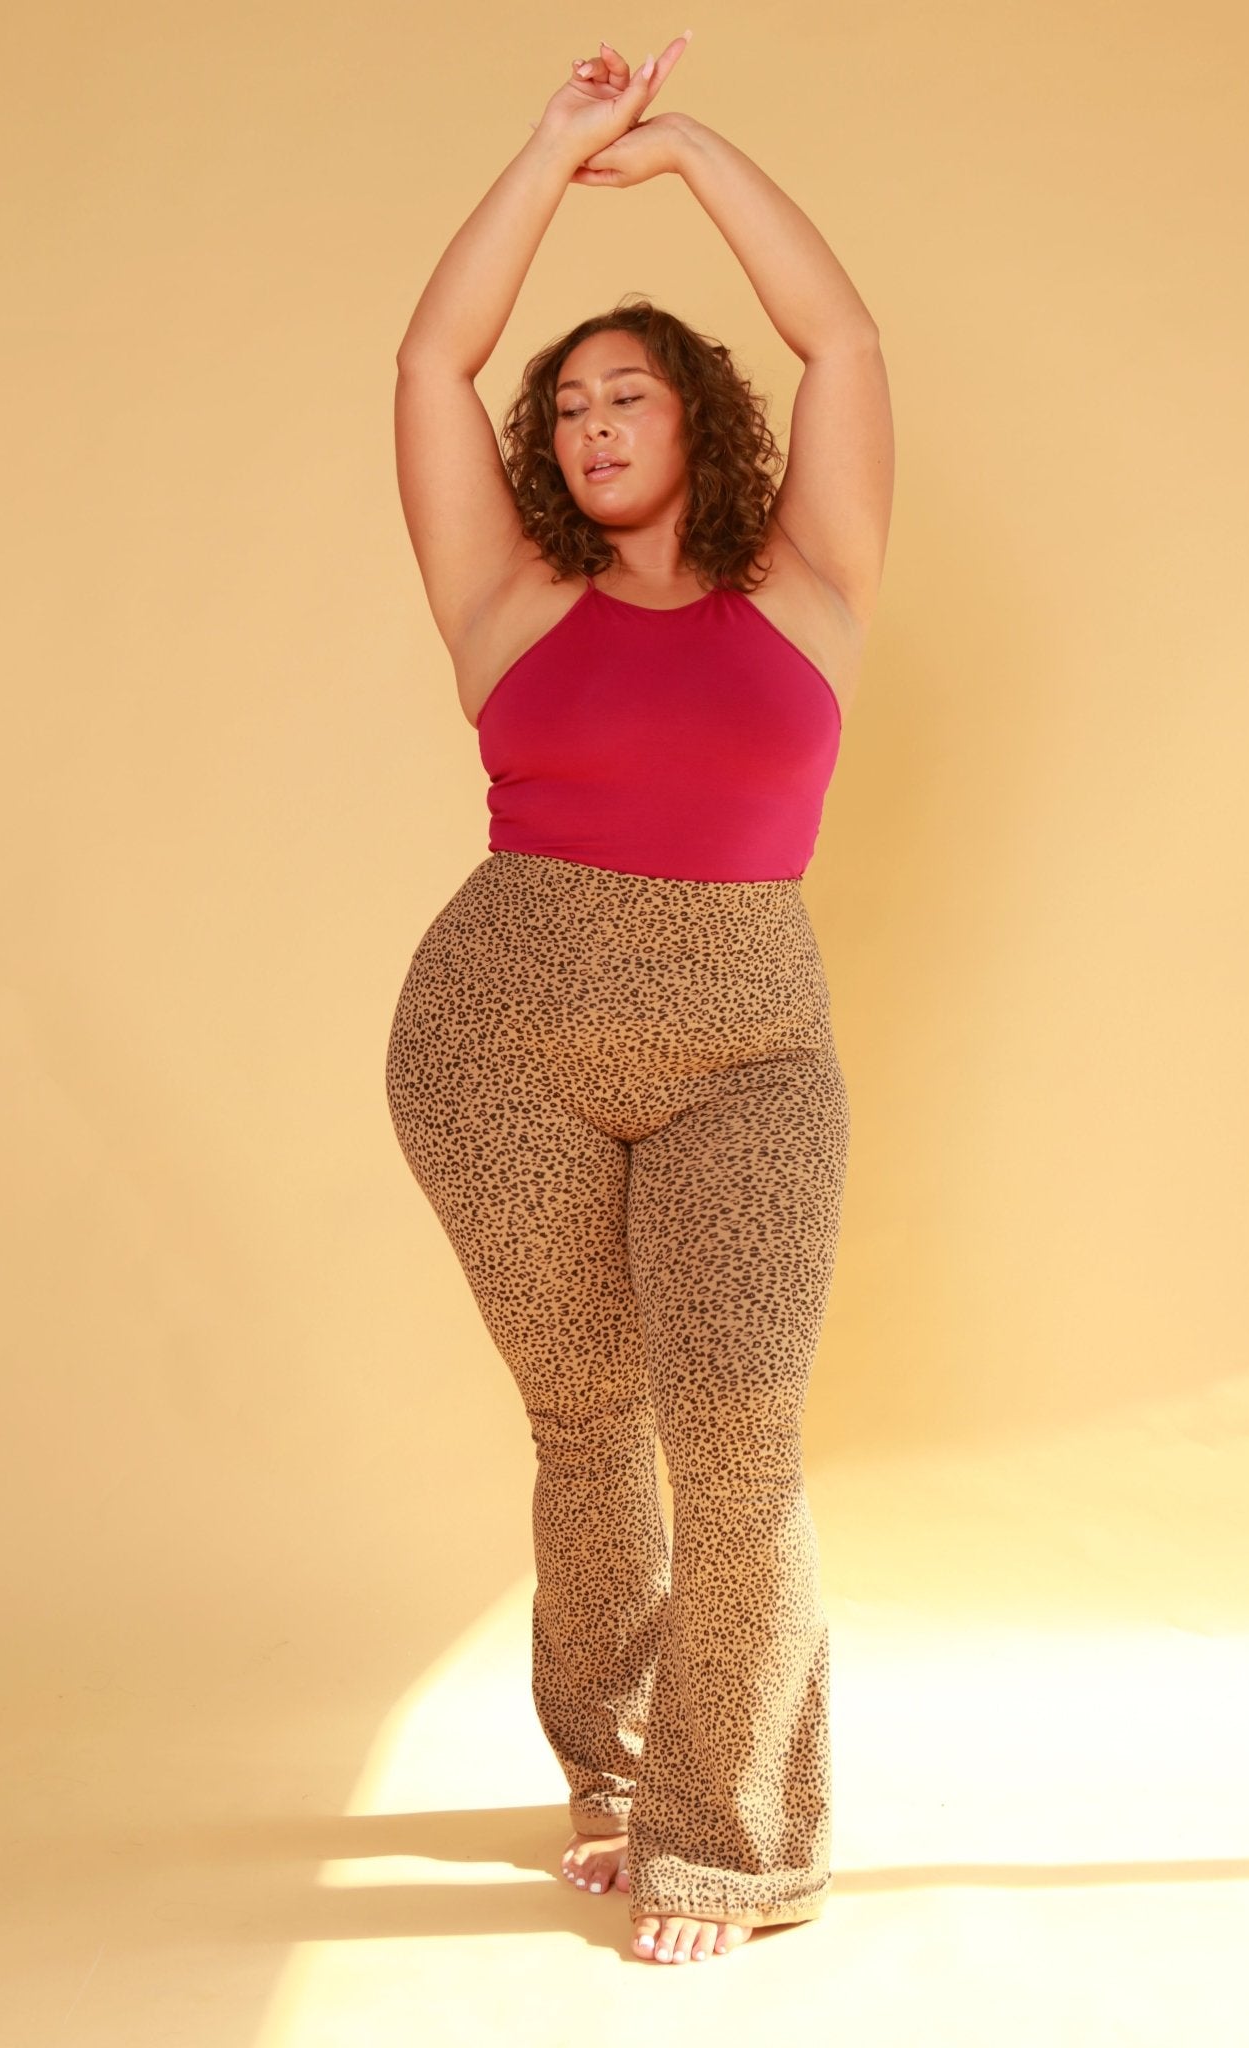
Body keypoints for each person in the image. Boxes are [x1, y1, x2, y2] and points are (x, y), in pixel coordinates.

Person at [384, 30, 894, 1967]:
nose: (592, 424)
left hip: (746, 1050)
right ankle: (605, 1773)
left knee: (739, 1442)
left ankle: (728, 1840)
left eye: (630, 392)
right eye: (568, 405)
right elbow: (427, 363)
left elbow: (843, 339)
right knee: (587, 1424)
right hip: (496, 1041)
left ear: (700, 415)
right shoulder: (509, 599)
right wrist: (543, 151)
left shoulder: (809, 586)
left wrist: (683, 155)